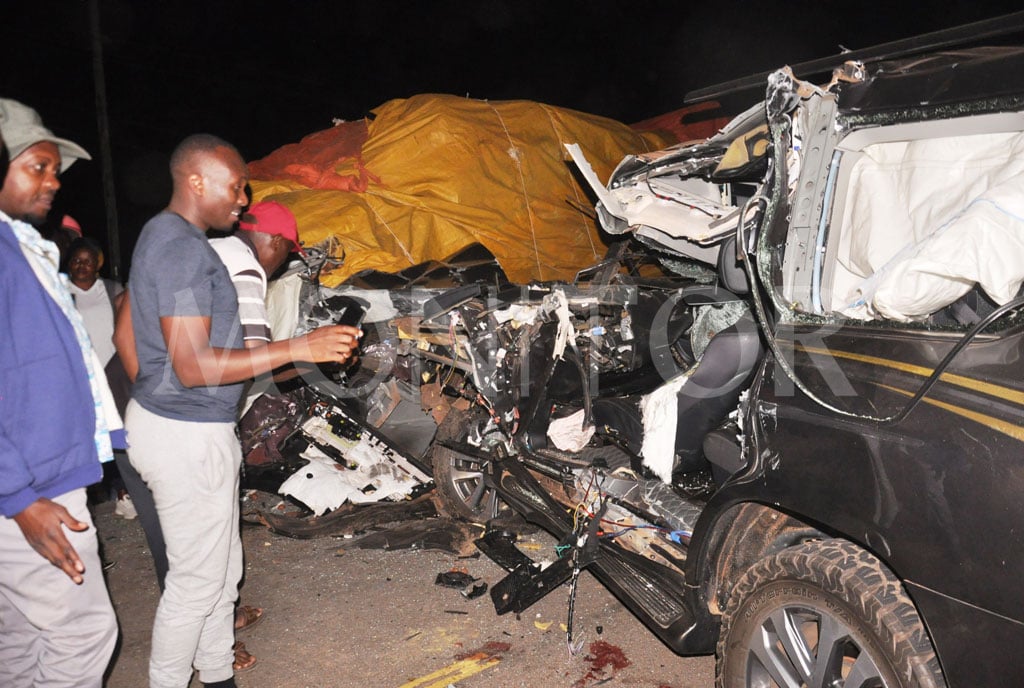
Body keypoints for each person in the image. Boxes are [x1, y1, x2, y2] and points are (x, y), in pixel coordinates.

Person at [115, 133, 360, 688]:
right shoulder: (179, 247)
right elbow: (193, 366)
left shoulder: (173, 240)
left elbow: (128, 325)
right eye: (236, 185)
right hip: (185, 433)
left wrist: (152, 395)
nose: (244, 198)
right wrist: (302, 346)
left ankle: (219, 676)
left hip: (189, 425)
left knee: (223, 576)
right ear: (196, 181)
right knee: (197, 585)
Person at [0, 98, 118, 687]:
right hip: (30, 487)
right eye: (37, 166)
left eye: (55, 169)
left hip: (33, 476)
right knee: (82, 633)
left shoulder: (18, 247)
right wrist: (18, 498)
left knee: (21, 638)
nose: (53, 180)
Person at [67, 235, 137, 519]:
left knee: (120, 433)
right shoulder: (60, 290)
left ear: (98, 264)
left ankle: (124, 492)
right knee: (89, 438)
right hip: (80, 377)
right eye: (76, 260)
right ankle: (88, 498)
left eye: (88, 260)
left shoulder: (112, 289)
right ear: (69, 264)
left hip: (114, 373)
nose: (82, 265)